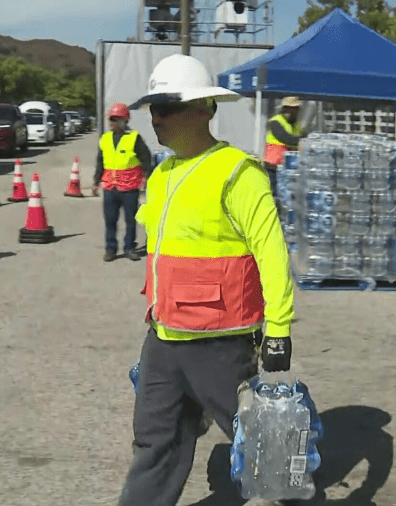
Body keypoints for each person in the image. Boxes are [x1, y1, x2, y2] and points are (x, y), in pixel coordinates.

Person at [118, 53, 295, 506]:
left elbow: (271, 252)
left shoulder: (238, 172)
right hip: (163, 336)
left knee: (266, 443)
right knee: (155, 442)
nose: (155, 118)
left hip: (220, 341)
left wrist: (278, 329)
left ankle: (299, 497)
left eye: (167, 107)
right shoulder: (162, 173)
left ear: (204, 109)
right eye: (152, 108)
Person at [93, 102, 153, 262]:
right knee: (110, 220)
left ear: (124, 120)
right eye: (110, 119)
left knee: (130, 221)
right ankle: (110, 249)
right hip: (110, 187)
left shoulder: (134, 138)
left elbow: (146, 158)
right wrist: (95, 181)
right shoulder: (105, 139)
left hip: (130, 188)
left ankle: (129, 248)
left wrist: (148, 177)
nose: (111, 122)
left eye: (115, 119)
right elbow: (100, 161)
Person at [262, 96, 303, 197]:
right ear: (284, 109)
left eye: (295, 109)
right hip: (273, 166)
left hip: (288, 167)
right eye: (289, 108)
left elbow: (300, 137)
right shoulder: (276, 122)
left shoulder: (295, 124)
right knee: (274, 193)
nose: (292, 111)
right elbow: (284, 138)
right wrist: (301, 141)